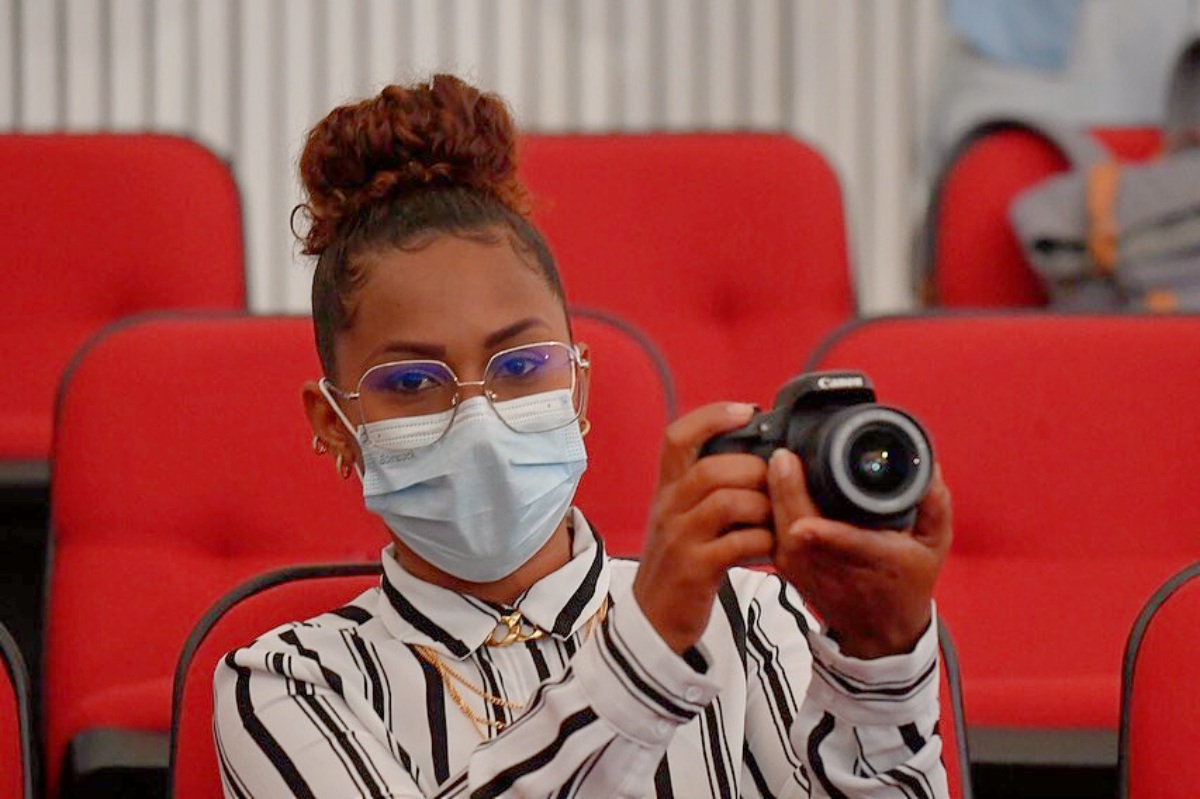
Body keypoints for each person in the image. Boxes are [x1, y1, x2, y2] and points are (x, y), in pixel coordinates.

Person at [213, 73, 953, 798]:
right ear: (335, 424)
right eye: (411, 382)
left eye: (520, 366)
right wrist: (646, 652)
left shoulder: (750, 616)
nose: (478, 418)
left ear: (578, 384)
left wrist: (880, 660)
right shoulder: (287, 682)